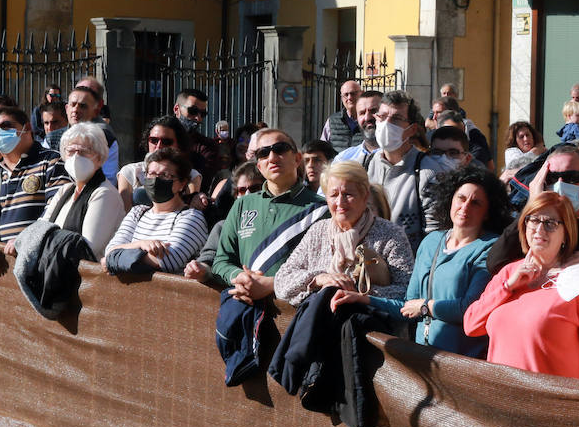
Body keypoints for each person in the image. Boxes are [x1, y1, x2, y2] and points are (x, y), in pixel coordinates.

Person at [464, 190, 579, 381]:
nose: (539, 230)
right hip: (502, 397)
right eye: (533, 220)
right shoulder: (509, 272)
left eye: (550, 223)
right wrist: (508, 286)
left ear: (566, 233)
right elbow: (471, 325)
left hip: (553, 403)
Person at [367, 166, 507, 357]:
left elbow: (469, 308)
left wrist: (425, 307)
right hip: (423, 359)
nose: (465, 207)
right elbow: (408, 305)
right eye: (461, 198)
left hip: (464, 364)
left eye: (476, 203)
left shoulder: (490, 247)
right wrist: (363, 299)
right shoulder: (431, 241)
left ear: (488, 212)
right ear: (450, 199)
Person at [273, 160, 414, 310]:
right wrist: (320, 279)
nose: (340, 202)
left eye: (348, 194)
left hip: (371, 329)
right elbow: (281, 282)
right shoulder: (318, 231)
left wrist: (359, 293)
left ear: (365, 196)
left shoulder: (390, 234)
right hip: (319, 323)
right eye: (333, 195)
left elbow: (407, 292)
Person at [487, 144, 579, 276]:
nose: (560, 184)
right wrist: (532, 204)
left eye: (571, 177)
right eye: (552, 178)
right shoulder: (536, 222)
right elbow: (495, 263)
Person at [211, 129, 327, 304]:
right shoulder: (242, 204)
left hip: (296, 313)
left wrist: (272, 284)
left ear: (297, 159)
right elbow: (221, 261)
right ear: (259, 166)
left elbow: (324, 271)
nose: (272, 157)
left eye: (280, 149)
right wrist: (240, 277)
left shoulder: (322, 209)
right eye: (263, 153)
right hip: (246, 309)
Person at [0, 108, 71, 265]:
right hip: (1, 266)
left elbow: (56, 210)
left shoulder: (51, 162)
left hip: (39, 263)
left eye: (6, 126)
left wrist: (26, 238)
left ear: (27, 128)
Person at [365, 92, 452, 249]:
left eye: (396, 119)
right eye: (382, 116)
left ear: (412, 130)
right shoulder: (366, 165)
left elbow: (435, 237)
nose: (386, 124)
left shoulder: (428, 173)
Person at [103, 148, 209, 273]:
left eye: (165, 175)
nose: (156, 180)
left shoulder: (191, 218)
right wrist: (141, 244)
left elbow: (168, 261)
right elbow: (110, 251)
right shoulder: (137, 213)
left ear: (182, 184)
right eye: (151, 174)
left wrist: (115, 259)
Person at [42, 122, 125, 259]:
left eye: (84, 151)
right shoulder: (65, 190)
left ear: (100, 157)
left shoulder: (104, 193)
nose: (76, 157)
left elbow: (87, 247)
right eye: (71, 151)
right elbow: (42, 228)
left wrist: (47, 239)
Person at [117, 116, 205, 211]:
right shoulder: (130, 172)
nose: (158, 146)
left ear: (179, 145)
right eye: (154, 140)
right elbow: (124, 212)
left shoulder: (191, 175)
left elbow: (190, 209)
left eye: (166, 142)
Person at [64, 85, 119, 179]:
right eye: (73, 104)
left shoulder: (105, 138)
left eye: (82, 106)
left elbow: (109, 178)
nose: (76, 110)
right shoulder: (52, 139)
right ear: (66, 108)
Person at [172, 88, 223, 179]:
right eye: (192, 111)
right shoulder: (157, 139)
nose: (198, 118)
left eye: (203, 114)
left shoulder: (207, 147)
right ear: (177, 109)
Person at [336, 90, 383, 164]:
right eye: (362, 113)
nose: (367, 118)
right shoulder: (343, 160)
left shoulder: (399, 158)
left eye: (374, 111)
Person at [323, 79, 365, 154]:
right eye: (346, 95)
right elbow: (323, 148)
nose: (349, 98)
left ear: (362, 94)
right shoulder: (332, 121)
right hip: (338, 165)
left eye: (353, 93)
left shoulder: (369, 120)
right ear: (342, 98)